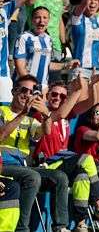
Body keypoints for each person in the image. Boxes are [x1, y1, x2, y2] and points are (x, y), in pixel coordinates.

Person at [32, 78, 99, 230]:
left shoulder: (67, 116)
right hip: (46, 165)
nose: (58, 98)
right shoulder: (42, 114)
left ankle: (80, 224)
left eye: (63, 96)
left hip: (62, 164)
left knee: (82, 176)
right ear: (48, 95)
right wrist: (76, 91)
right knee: (86, 159)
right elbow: (61, 114)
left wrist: (92, 86)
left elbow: (91, 104)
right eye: (55, 94)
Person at [0, 75, 70, 232]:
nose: (27, 95)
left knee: (59, 177)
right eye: (24, 90)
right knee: (32, 177)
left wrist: (46, 116)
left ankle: (60, 227)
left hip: (21, 167)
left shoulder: (30, 119)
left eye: (32, 92)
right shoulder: (2, 111)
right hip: (2, 165)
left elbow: (46, 131)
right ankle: (21, 229)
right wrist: (23, 114)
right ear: (13, 91)